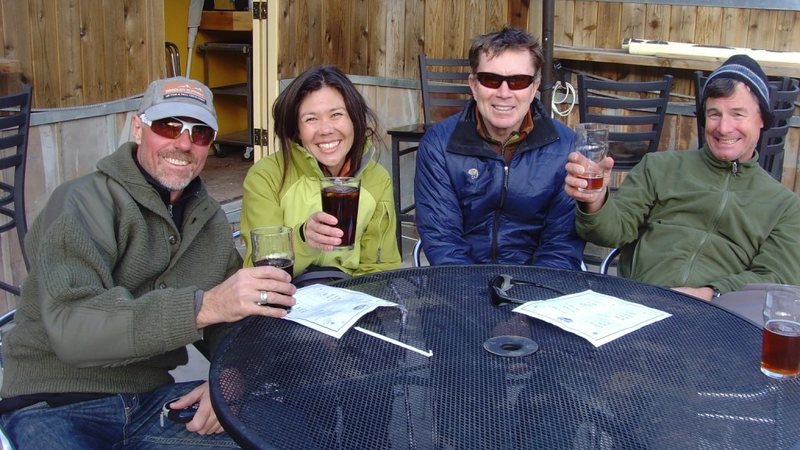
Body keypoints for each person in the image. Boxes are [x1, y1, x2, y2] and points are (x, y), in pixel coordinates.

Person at [0, 76, 297, 448]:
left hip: (152, 404)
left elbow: (230, 330)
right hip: (54, 403)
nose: (184, 143)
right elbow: (74, 331)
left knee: (284, 429)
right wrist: (204, 306)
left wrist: (232, 379)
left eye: (200, 133)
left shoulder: (208, 221)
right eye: (168, 126)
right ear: (139, 129)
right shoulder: (81, 203)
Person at [565, 54, 800, 301]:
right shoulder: (658, 167)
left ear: (762, 118)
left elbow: (776, 277)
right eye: (714, 114)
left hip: (722, 318)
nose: (724, 127)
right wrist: (595, 201)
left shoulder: (785, 206)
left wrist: (711, 293)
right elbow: (608, 233)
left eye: (738, 114)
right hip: (640, 304)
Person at [414, 26, 584, 268]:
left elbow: (560, 247)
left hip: (538, 289)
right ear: (473, 85)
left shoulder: (566, 147)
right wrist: (476, 300)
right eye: (491, 80)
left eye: (518, 81)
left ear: (534, 87)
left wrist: (529, 298)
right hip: (461, 288)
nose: (504, 93)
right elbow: (444, 244)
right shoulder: (439, 144)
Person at [240, 65, 401, 284]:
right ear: (296, 128)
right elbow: (259, 271)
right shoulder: (266, 177)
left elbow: (381, 268)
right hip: (287, 295)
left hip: (352, 294)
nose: (325, 129)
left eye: (336, 115)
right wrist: (304, 237)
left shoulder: (376, 178)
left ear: (354, 119)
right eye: (311, 119)